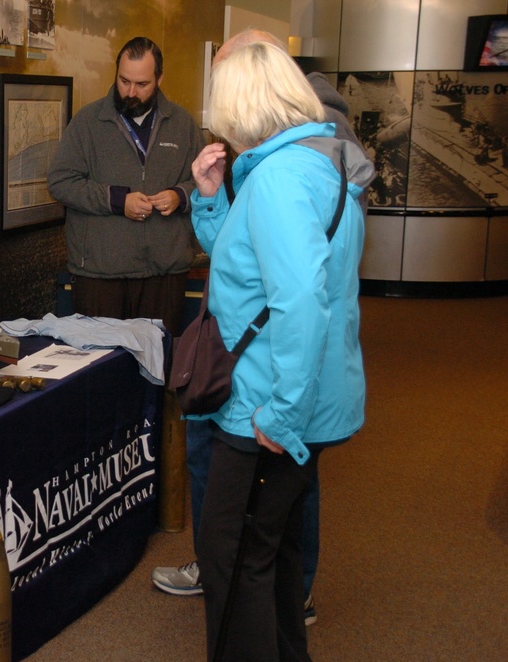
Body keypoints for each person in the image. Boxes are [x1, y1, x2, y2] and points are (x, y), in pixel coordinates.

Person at [152, 30, 369, 628]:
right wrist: (210, 199)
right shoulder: (316, 163)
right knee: (269, 560)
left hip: (267, 402)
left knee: (233, 560)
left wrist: (282, 413)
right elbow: (249, 266)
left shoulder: (278, 178)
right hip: (292, 389)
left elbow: (299, 302)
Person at [47, 36, 204, 338]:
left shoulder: (183, 124)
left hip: (165, 273)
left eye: (142, 84)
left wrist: (180, 196)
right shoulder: (88, 123)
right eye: (124, 81)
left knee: (157, 371)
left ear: (160, 79)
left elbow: (205, 183)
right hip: (100, 275)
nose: (130, 92)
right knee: (101, 373)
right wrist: (118, 201)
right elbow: (60, 182)